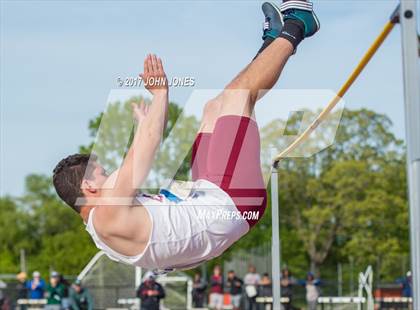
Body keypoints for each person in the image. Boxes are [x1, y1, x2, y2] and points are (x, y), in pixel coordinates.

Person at [52, 0, 320, 272]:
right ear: (89, 187)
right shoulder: (108, 212)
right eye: (102, 173)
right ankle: (299, 23)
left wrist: (147, 123)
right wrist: (160, 93)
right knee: (239, 95)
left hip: (214, 201)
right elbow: (149, 143)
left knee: (214, 108)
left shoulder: (103, 232)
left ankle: (272, 43)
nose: (110, 175)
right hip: (231, 203)